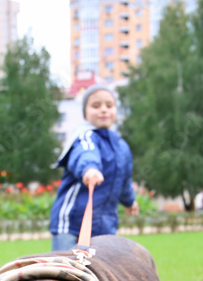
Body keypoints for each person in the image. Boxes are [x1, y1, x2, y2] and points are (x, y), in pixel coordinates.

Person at [50, 85, 138, 251]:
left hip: (104, 225)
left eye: (109, 106)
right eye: (96, 106)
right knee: (66, 269)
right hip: (72, 223)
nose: (103, 110)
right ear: (85, 113)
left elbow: (124, 179)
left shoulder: (122, 147)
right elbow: (85, 153)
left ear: (116, 110)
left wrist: (129, 200)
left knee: (100, 271)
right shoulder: (85, 136)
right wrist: (89, 169)